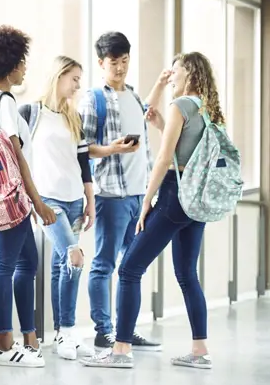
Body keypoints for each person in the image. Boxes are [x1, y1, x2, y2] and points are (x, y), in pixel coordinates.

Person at [81, 51, 222, 369]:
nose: (171, 76)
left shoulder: (180, 105)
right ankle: (200, 351)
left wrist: (147, 201)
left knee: (129, 269)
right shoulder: (207, 109)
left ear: (189, 73)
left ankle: (120, 350)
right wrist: (161, 126)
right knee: (187, 274)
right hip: (196, 200)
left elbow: (163, 159)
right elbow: (186, 152)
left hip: (173, 197)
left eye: (176, 71)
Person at [0, 25, 56, 368]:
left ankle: (29, 338)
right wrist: (37, 202)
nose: (25, 68)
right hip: (13, 198)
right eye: (22, 62)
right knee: (6, 265)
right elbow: (17, 156)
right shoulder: (5, 102)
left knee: (27, 264)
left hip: (4, 196)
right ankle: (4, 346)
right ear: (10, 65)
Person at [79, 31, 162, 351]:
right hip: (110, 195)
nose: (121, 67)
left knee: (132, 267)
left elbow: (145, 148)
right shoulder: (93, 99)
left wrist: (149, 189)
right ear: (101, 63)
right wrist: (112, 150)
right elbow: (83, 148)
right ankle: (105, 330)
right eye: (114, 62)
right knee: (104, 264)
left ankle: (126, 330)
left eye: (125, 61)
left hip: (138, 196)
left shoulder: (135, 97)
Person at [20, 56, 95, 360]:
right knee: (74, 257)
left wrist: (91, 201)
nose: (78, 85)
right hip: (47, 201)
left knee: (61, 266)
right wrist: (31, 200)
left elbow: (84, 164)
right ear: (59, 76)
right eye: (74, 78)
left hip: (75, 199)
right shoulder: (30, 113)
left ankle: (61, 335)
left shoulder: (75, 117)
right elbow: (20, 157)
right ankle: (67, 330)